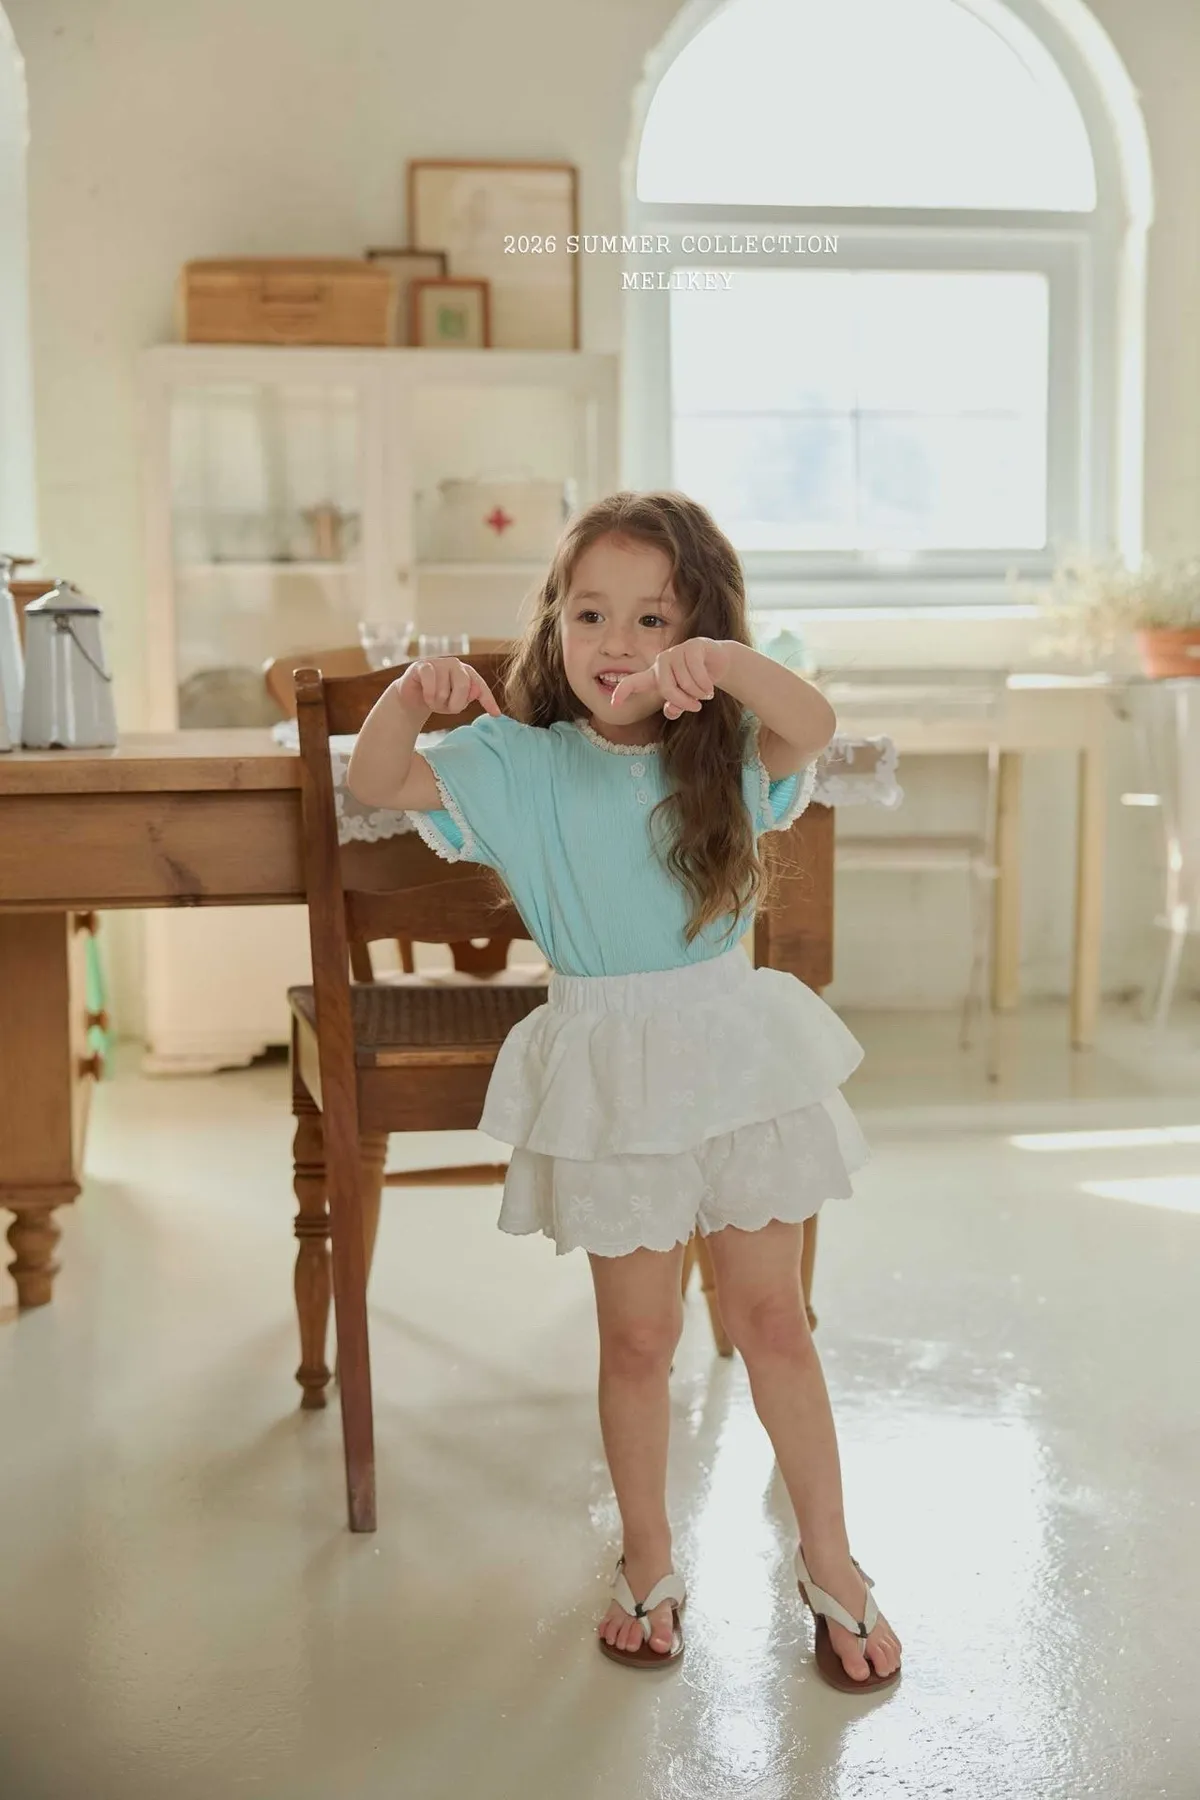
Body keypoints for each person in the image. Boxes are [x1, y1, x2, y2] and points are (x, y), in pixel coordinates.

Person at [346, 491, 902, 1691]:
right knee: (639, 1337)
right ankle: (649, 1557)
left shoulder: (730, 756)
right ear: (554, 625)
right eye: (591, 613)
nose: (618, 642)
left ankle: (831, 1559)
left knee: (772, 1320)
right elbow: (381, 781)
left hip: (736, 1054)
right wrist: (411, 696)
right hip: (606, 1068)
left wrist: (729, 667)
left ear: (697, 632)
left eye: (656, 618)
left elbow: (814, 722)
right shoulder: (518, 764)